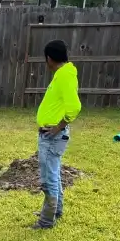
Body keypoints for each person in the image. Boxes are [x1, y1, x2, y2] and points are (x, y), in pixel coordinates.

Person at [32, 39, 82, 230]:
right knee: (54, 174)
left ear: (50, 58)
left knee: (48, 178)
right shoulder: (63, 74)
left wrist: (58, 127)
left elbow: (74, 107)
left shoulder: (64, 77)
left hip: (52, 137)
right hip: (51, 135)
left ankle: (46, 221)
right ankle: (56, 211)